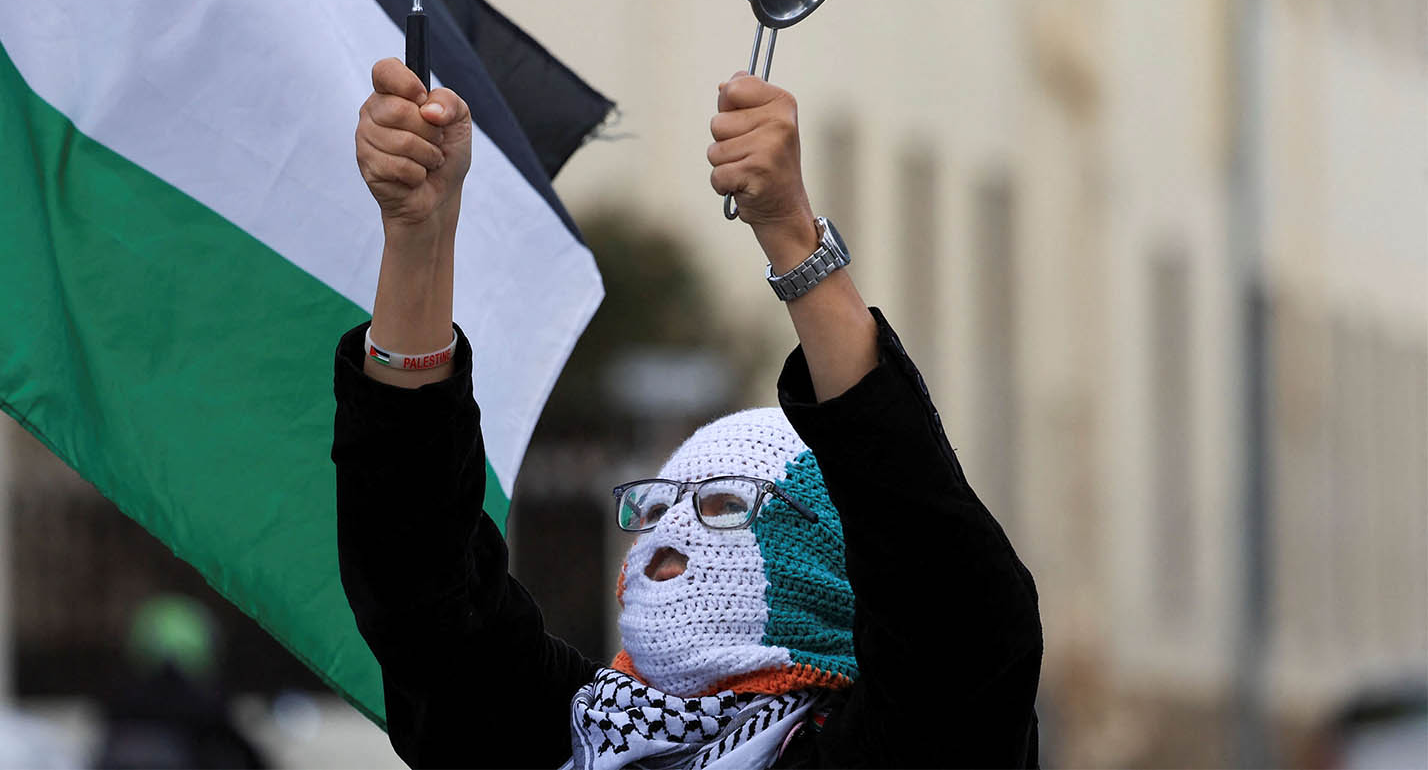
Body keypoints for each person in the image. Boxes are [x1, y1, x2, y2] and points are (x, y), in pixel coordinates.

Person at [333, 58, 1043, 768]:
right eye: (657, 503)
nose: (669, 530)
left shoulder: (901, 741)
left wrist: (793, 234)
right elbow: (418, 576)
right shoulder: (560, 731)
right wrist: (417, 238)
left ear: (839, 555)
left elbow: (950, 592)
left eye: (723, 503)